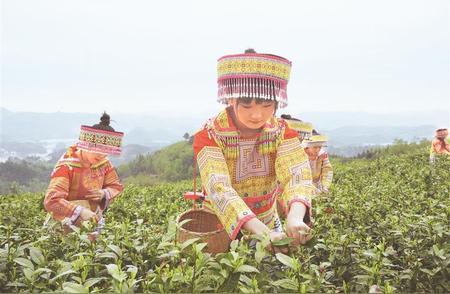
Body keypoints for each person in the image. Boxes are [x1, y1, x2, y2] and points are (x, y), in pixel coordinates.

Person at [193, 49, 317, 249]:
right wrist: (261, 232)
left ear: (276, 103)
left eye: (266, 105)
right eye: (247, 105)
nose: (257, 115)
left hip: (269, 224)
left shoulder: (281, 131)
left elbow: (297, 174)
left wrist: (294, 217)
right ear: (231, 99)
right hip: (222, 227)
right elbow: (219, 188)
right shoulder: (210, 134)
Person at [44, 112, 124, 240]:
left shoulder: (103, 162)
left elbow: (115, 186)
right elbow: (51, 200)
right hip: (64, 225)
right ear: (85, 144)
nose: (102, 156)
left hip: (92, 223)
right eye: (98, 151)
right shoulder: (67, 165)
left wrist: (103, 193)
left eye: (105, 153)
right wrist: (80, 211)